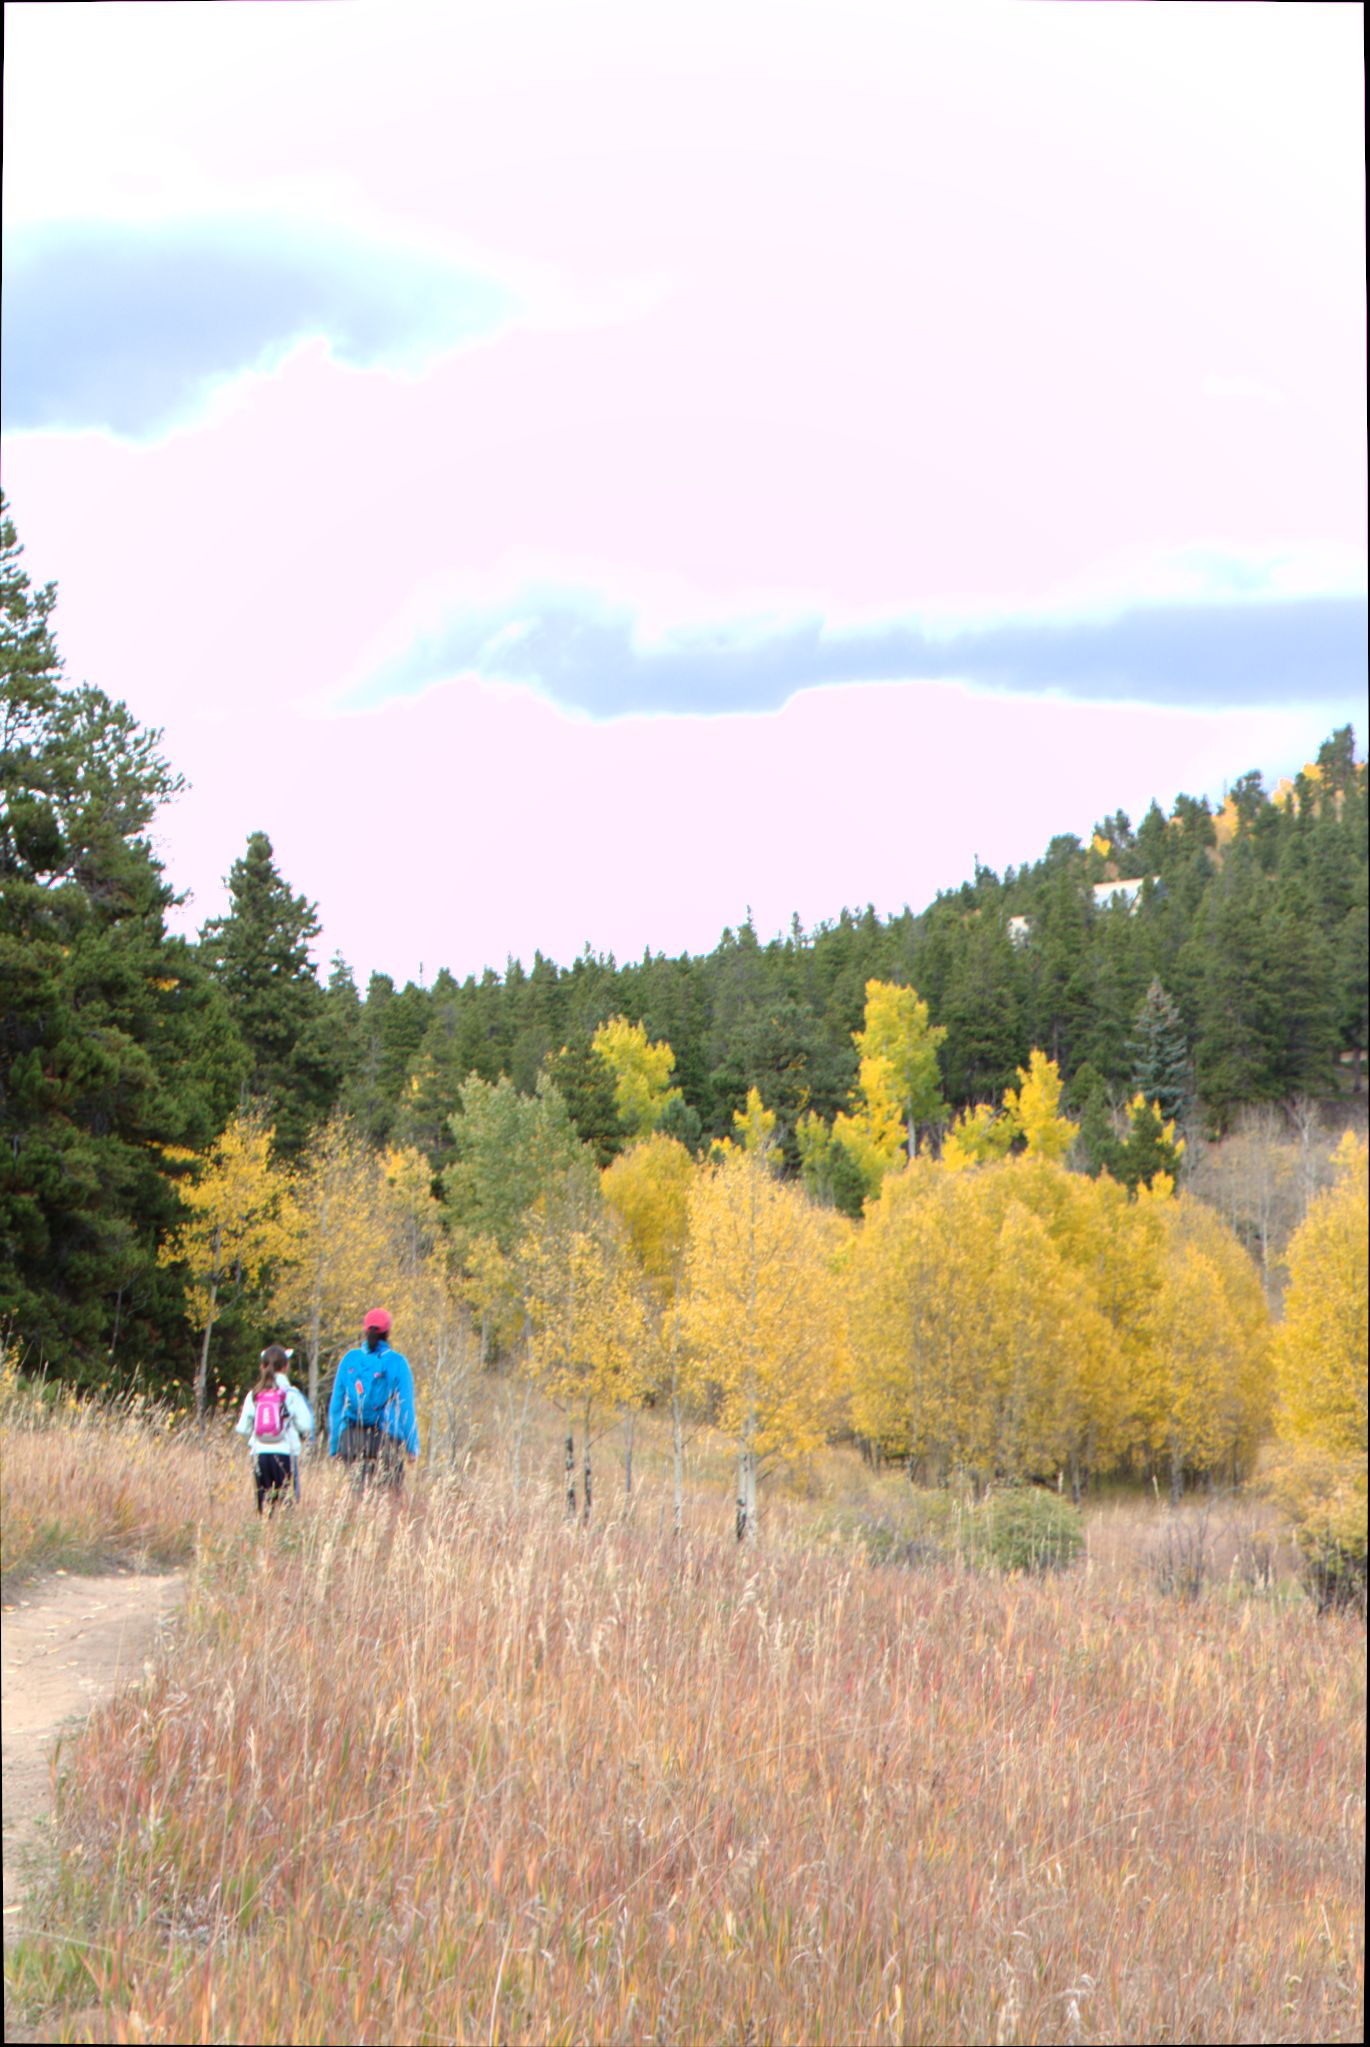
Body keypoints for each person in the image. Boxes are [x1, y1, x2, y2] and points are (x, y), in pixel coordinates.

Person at [328, 1307, 420, 1489]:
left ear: (365, 1330)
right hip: (386, 1440)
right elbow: (406, 1407)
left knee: (358, 1495)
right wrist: (412, 1446)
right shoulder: (397, 1362)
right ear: (388, 1332)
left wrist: (334, 1445)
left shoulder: (349, 1359)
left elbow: (336, 1406)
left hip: (351, 1438)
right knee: (388, 1500)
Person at [236, 1344, 315, 1515]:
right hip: (285, 1454)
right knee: (287, 1507)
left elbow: (242, 1428)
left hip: (259, 1454)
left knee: (264, 1508)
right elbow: (306, 1425)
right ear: (285, 1367)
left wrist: (257, 1433)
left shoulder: (254, 1394)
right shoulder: (291, 1394)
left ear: (262, 1367)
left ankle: (265, 1537)